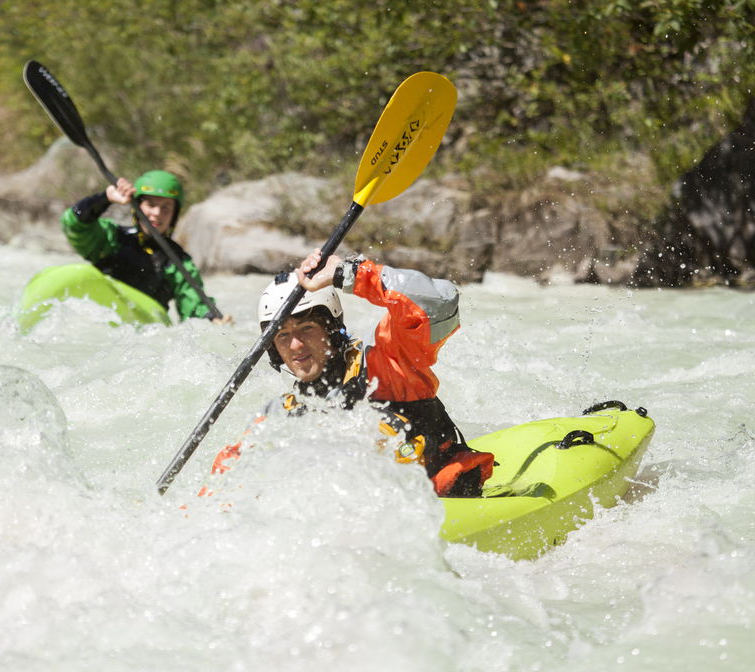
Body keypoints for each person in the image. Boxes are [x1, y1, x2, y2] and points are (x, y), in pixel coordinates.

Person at [201, 249, 493, 498]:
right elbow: (232, 470)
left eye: (306, 329)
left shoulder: (385, 360)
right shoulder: (283, 412)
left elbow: (439, 304)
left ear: (332, 329)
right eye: (282, 336)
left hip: (437, 503)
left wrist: (348, 273)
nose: (295, 345)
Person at [61, 170, 232, 324]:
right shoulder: (112, 238)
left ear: (174, 216)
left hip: (146, 333)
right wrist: (105, 198)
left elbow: (194, 305)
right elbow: (73, 225)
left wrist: (210, 318)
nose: (157, 213)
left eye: (166, 208)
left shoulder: (178, 262)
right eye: (150, 205)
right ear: (137, 207)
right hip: (99, 319)